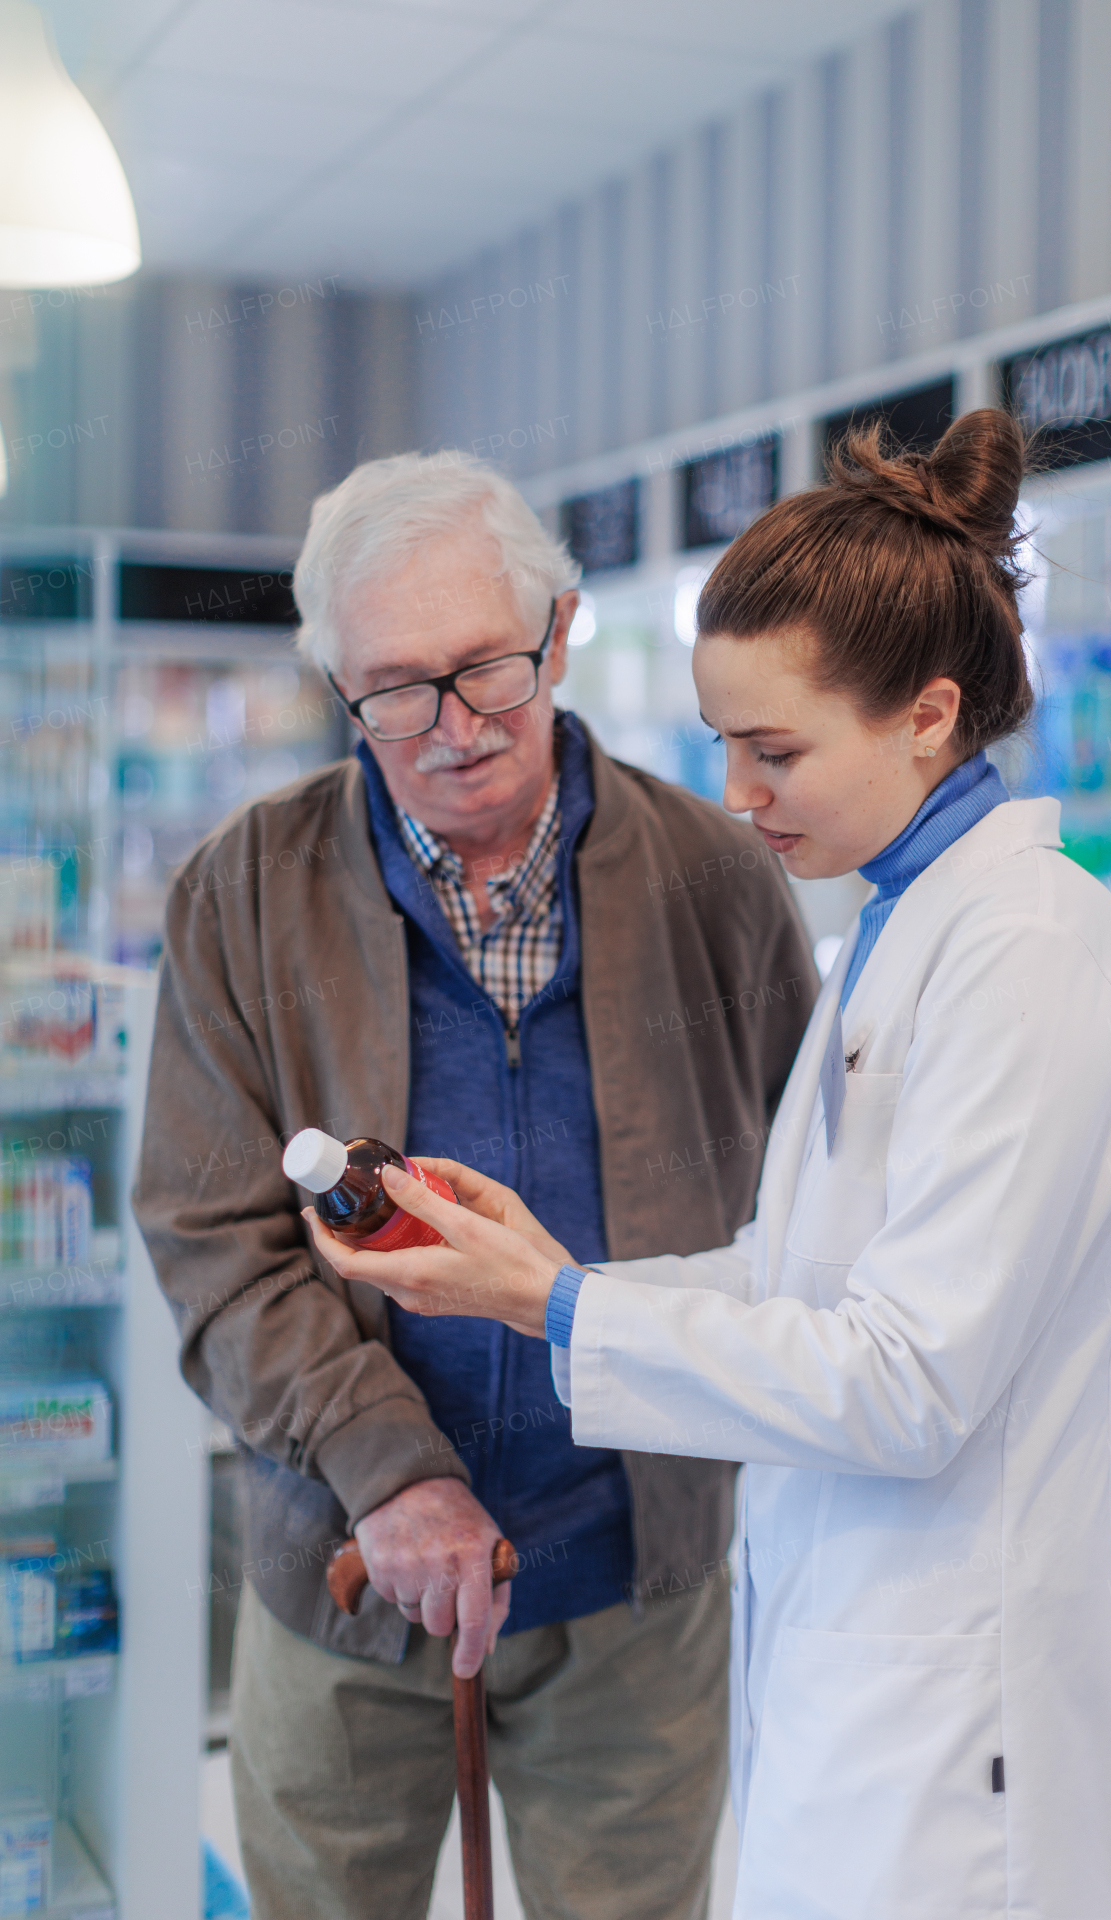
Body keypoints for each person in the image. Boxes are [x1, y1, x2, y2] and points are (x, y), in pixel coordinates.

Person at [308, 412, 1111, 1920]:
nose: (733, 793)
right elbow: (796, 1282)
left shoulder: (1030, 953)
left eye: (774, 750)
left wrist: (563, 1311)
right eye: (722, 744)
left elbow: (908, 1381)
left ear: (927, 716)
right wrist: (545, 1277)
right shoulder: (897, 929)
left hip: (953, 1723)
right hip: (849, 1672)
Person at [133, 451, 817, 1920]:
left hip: (636, 1580)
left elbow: (808, 1210)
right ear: (338, 688)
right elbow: (212, 1243)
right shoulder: (241, 894)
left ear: (560, 633)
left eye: (487, 671)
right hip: (344, 1574)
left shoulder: (717, 879)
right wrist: (393, 1475)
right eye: (393, 689)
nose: (449, 730)